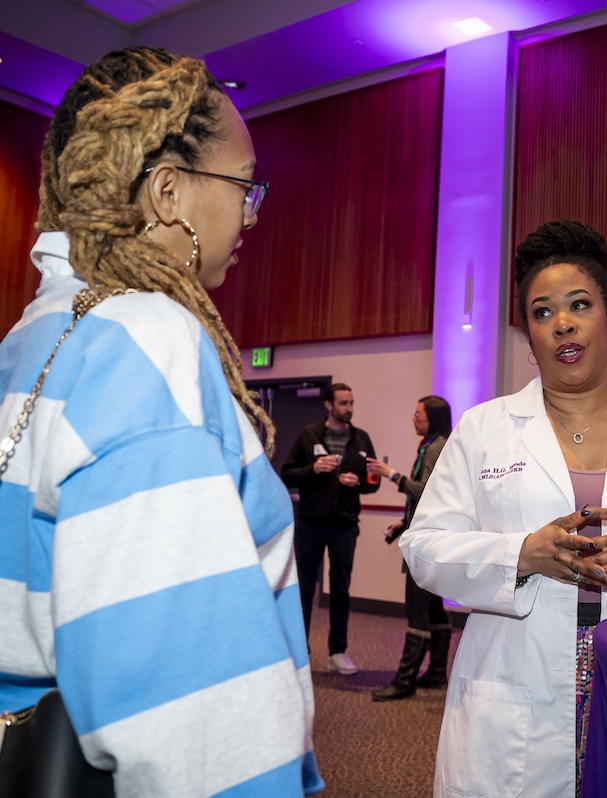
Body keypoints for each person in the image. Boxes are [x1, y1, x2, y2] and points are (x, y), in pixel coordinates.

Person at [0, 47, 322, 795]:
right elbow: (193, 721)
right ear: (170, 192)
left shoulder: (30, 335)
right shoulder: (150, 339)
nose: (250, 213)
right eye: (245, 185)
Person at [400, 219, 607, 797]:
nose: (561, 323)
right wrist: (520, 554)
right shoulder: (487, 428)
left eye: (578, 304)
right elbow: (424, 548)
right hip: (513, 681)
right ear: (530, 338)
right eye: (541, 312)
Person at [282, 383, 379, 675]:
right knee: (303, 589)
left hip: (344, 525)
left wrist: (359, 484)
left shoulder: (361, 438)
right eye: (343, 403)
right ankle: (299, 653)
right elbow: (287, 474)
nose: (349, 408)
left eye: (351, 403)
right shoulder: (308, 435)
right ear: (328, 405)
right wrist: (313, 469)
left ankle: (338, 652)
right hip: (310, 523)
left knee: (340, 589)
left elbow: (374, 481)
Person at [365, 396, 453, 701]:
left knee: (417, 612)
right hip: (426, 534)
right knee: (432, 610)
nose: (413, 419)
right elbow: (425, 501)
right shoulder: (431, 445)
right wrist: (403, 524)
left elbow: (426, 491)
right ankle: (437, 673)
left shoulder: (436, 447)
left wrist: (391, 475)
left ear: (433, 418)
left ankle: (404, 681)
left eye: (418, 415)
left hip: (428, 542)